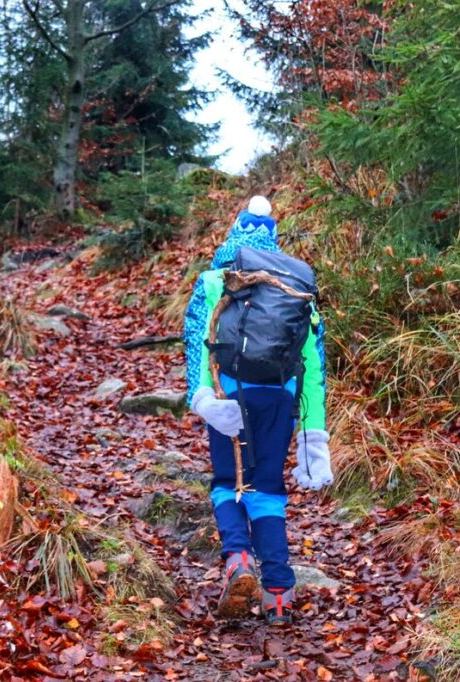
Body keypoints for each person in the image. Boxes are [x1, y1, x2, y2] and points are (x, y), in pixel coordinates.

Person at [183, 195, 333, 626]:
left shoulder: (217, 279)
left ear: (234, 235)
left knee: (228, 483)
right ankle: (279, 593)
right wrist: (313, 434)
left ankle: (237, 561)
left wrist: (203, 396)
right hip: (280, 398)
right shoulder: (295, 288)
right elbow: (314, 362)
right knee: (267, 488)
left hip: (230, 395)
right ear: (274, 242)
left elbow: (196, 340)